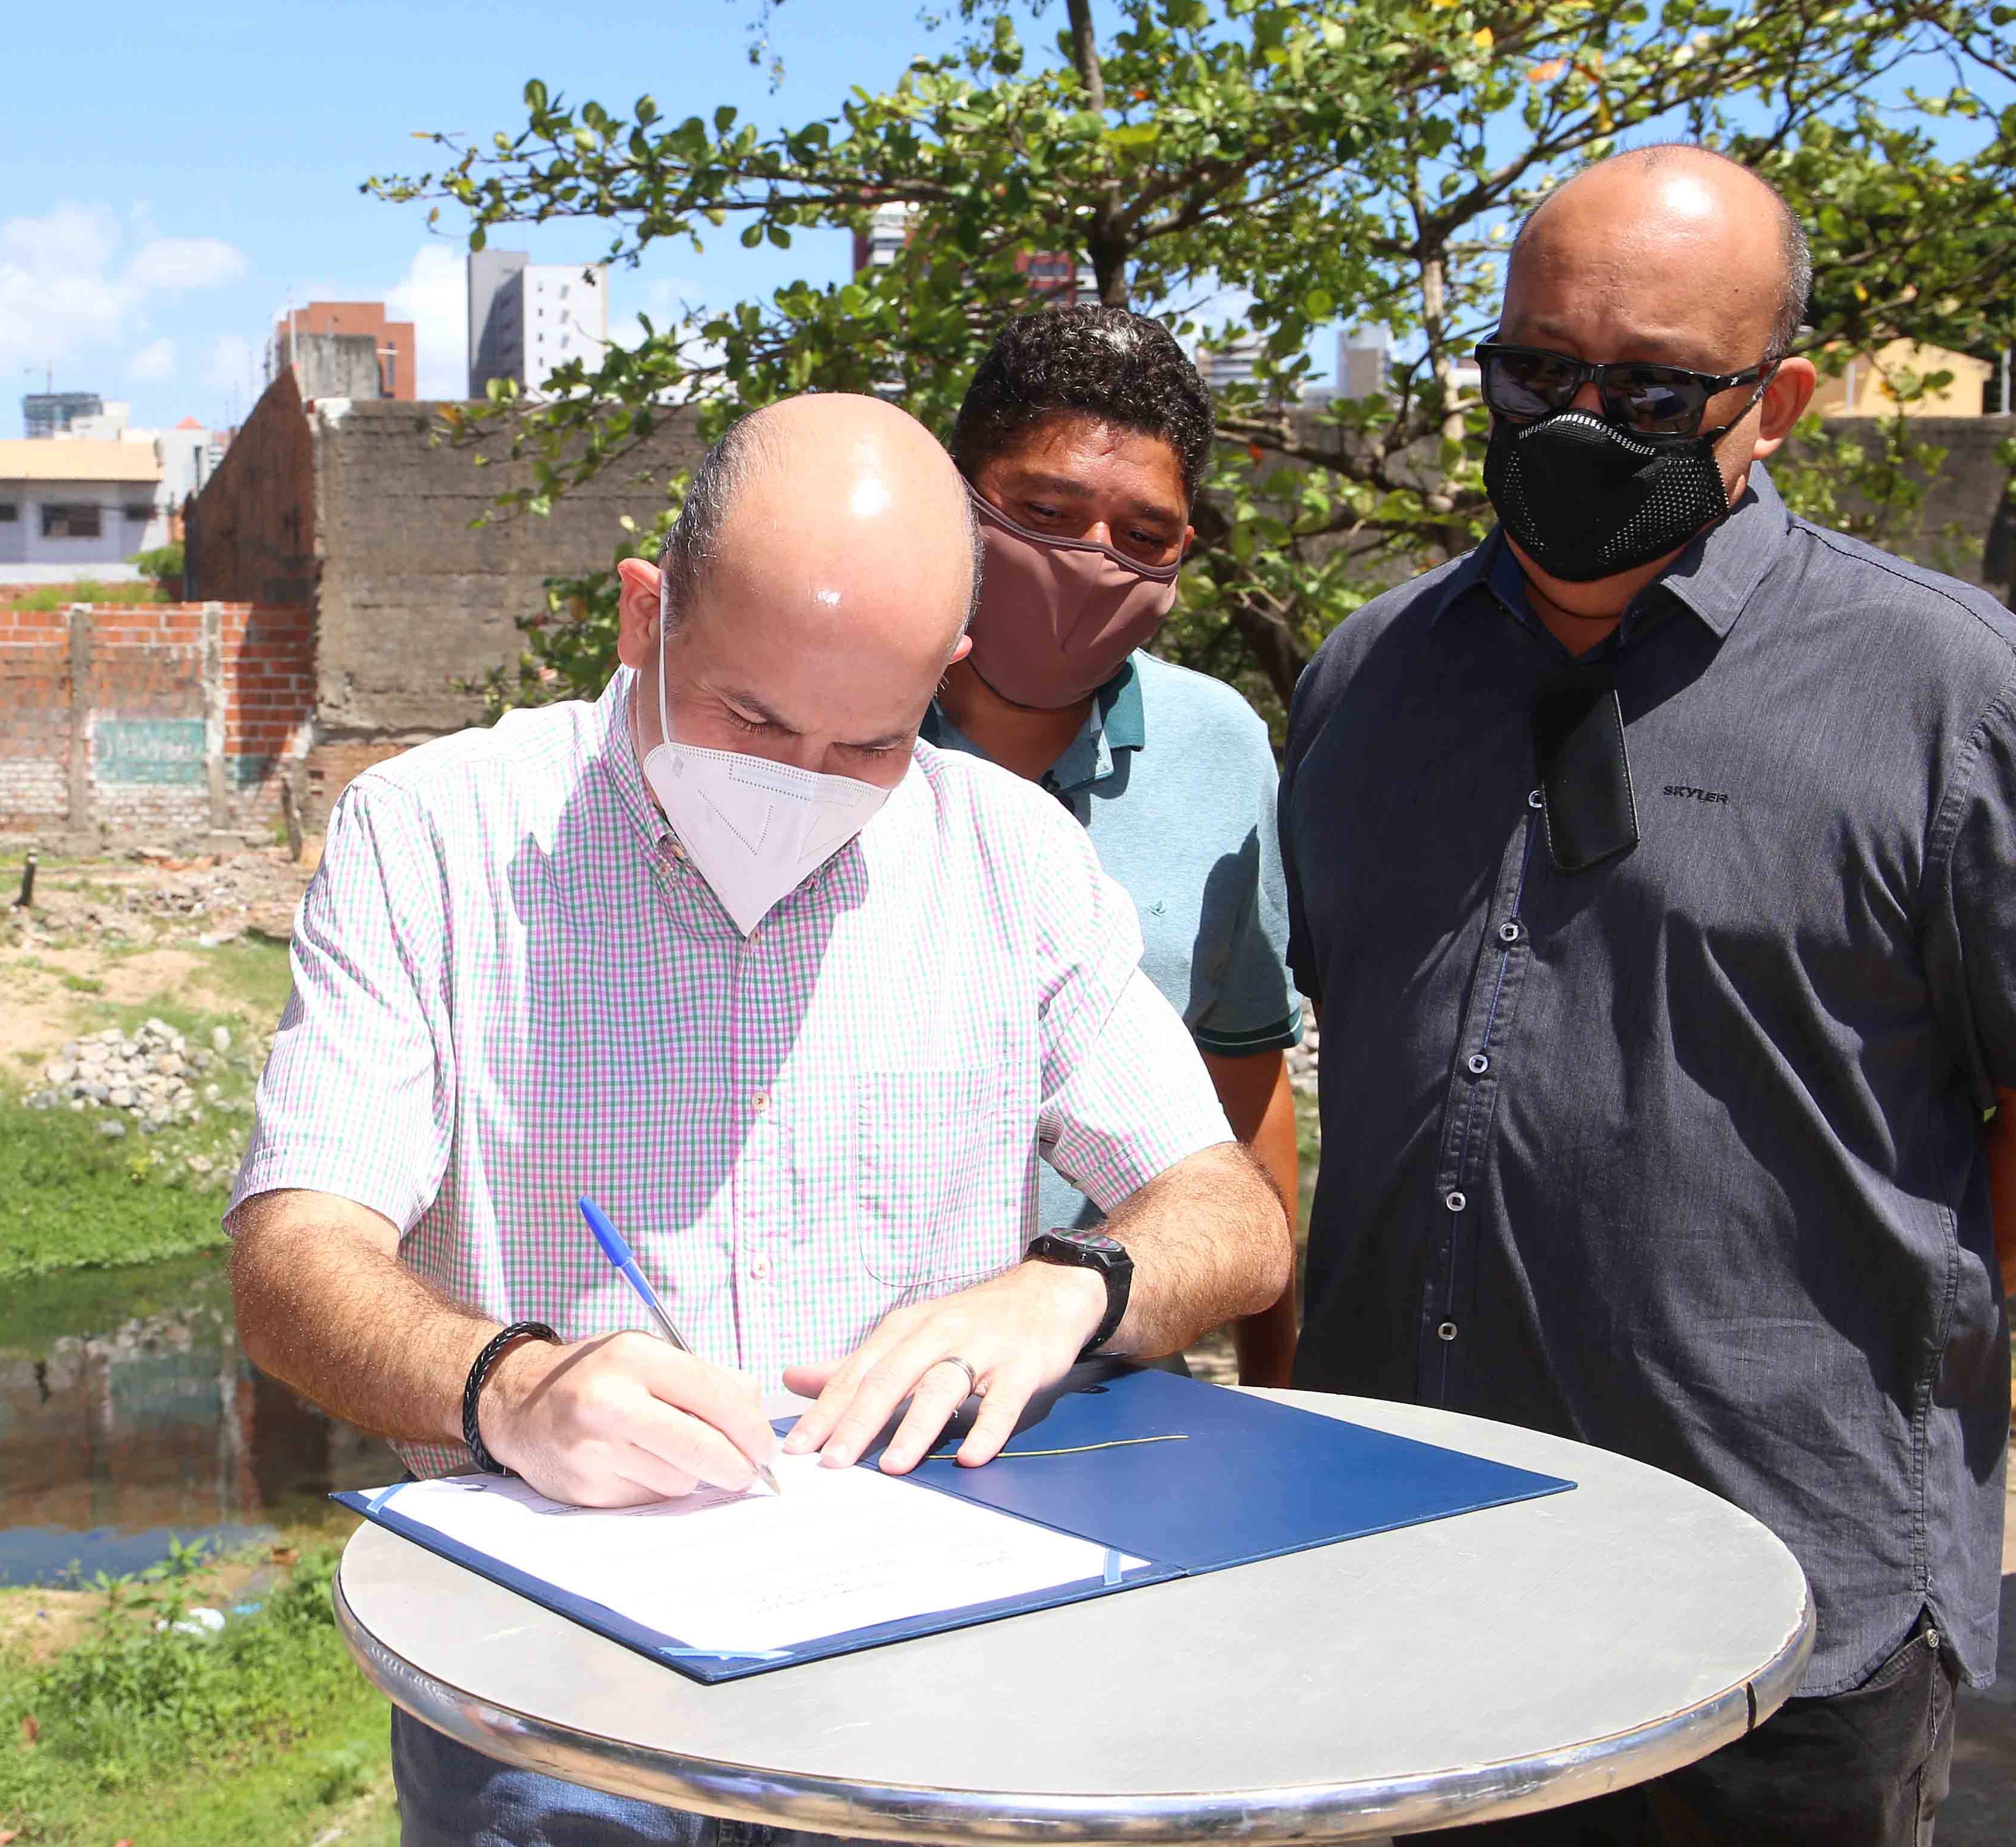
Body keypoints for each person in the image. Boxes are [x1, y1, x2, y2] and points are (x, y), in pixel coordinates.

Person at [1280, 145, 2016, 1845]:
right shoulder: (1373, 673)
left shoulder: (1951, 696)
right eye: (1539, 371)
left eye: (1652, 391)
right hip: (1396, 1575)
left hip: (1780, 1634)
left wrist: (1820, 1309)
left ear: (1774, 402)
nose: (1579, 420)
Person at [229, 391, 1290, 1846]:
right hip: (561, 1708)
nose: (798, 785)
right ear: (644, 615)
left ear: (944, 674)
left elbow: (1230, 1213)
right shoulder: (437, 837)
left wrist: (1073, 1283)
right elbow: (294, 1253)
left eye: (867, 741)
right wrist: (508, 1387)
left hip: (926, 1675)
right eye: (751, 716)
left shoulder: (1008, 858)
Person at [922, 305, 1306, 1384]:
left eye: (1141, 535)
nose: (1092, 559)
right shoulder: (837, 727)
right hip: (834, 1376)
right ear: (957, 500)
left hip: (1103, 1383)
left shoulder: (1218, 745)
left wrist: (1278, 1384)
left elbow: (1244, 1075)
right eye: (1045, 510)